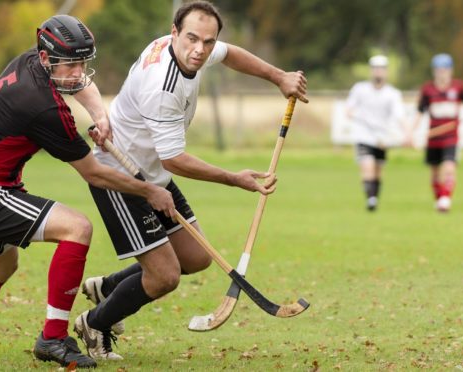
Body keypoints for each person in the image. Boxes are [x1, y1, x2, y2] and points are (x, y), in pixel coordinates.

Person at [0, 15, 175, 369]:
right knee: (77, 228)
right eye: (70, 63)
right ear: (47, 59)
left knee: (0, 269)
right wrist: (149, 191)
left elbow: (78, 83)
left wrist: (101, 115)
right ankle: (53, 339)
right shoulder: (40, 104)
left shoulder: (32, 61)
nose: (77, 71)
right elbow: (94, 173)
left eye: (83, 62)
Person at [72, 0, 308, 361]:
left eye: (208, 42)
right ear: (174, 33)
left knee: (195, 257)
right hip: (121, 176)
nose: (200, 50)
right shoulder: (162, 87)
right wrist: (234, 178)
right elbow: (175, 159)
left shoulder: (191, 50)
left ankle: (107, 287)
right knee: (165, 276)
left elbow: (231, 55)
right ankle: (95, 324)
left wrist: (278, 76)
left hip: (153, 171)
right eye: (193, 39)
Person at [407, 53, 463, 212]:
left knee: (449, 167)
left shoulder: (458, 87)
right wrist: (411, 133)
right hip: (433, 137)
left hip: (451, 137)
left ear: (450, 70)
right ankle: (439, 198)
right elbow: (420, 112)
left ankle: (446, 199)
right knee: (434, 172)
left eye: (445, 69)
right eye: (439, 69)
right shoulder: (428, 89)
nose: (442, 73)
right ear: (434, 71)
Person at [345, 55, 406, 211]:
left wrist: (407, 134)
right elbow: (349, 109)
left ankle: (374, 198)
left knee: (378, 170)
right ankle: (371, 199)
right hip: (364, 135)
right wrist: (355, 115)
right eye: (375, 68)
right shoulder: (360, 89)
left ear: (386, 71)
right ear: (371, 71)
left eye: (381, 69)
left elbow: (399, 116)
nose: (378, 72)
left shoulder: (393, 94)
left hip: (382, 138)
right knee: (367, 166)